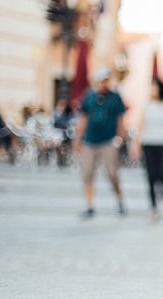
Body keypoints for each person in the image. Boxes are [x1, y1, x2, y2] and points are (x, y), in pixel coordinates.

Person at [73, 66, 128, 218]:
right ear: (96, 81)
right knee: (87, 172)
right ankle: (89, 205)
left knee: (112, 172)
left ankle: (119, 201)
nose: (104, 83)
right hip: (89, 140)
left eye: (106, 80)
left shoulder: (115, 97)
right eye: (102, 80)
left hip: (108, 140)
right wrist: (78, 138)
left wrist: (120, 136)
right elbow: (83, 117)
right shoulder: (89, 96)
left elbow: (120, 118)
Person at [130, 79, 163, 221]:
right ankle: (153, 207)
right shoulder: (146, 106)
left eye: (155, 87)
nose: (152, 90)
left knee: (162, 174)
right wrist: (136, 143)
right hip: (148, 142)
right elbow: (141, 124)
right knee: (150, 175)